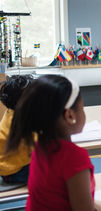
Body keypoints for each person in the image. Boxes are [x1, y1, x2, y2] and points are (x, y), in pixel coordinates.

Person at [5, 75, 95, 211]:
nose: (83, 112)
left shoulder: (39, 145)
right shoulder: (74, 157)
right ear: (69, 115)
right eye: (82, 108)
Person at [0, 75, 33, 183]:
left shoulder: (9, 113)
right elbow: (40, 145)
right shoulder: (24, 120)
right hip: (16, 171)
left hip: (5, 169)